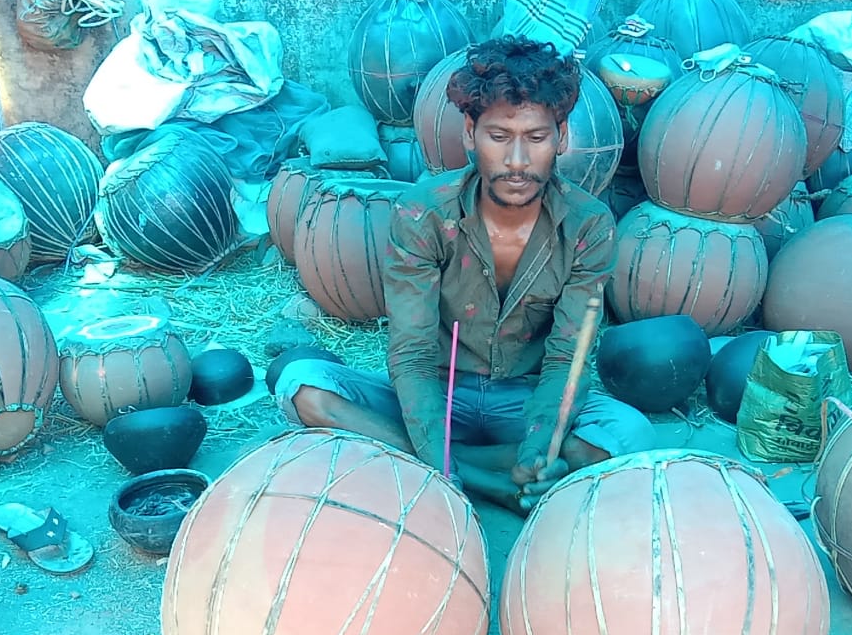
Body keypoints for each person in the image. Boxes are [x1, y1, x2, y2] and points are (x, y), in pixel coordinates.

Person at [277, 35, 657, 515]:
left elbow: (569, 357)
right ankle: (479, 477)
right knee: (303, 383)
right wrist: (442, 465)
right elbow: (412, 353)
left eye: (536, 139)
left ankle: (448, 464)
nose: (517, 162)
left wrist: (538, 450)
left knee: (629, 435)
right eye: (499, 137)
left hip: (523, 399)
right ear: (469, 133)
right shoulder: (422, 212)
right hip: (437, 392)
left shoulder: (589, 223)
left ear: (561, 138)